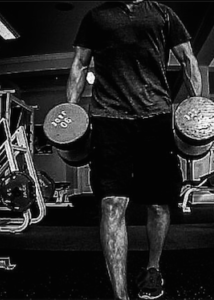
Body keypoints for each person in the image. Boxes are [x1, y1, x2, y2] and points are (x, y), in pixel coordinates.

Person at [66, 1, 202, 299]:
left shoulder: (164, 13)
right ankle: (120, 294)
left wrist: (197, 106)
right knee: (111, 203)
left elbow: (188, 59)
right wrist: (71, 113)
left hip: (155, 116)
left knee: (158, 202)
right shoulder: (96, 16)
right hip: (109, 117)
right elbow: (80, 62)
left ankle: (153, 268)